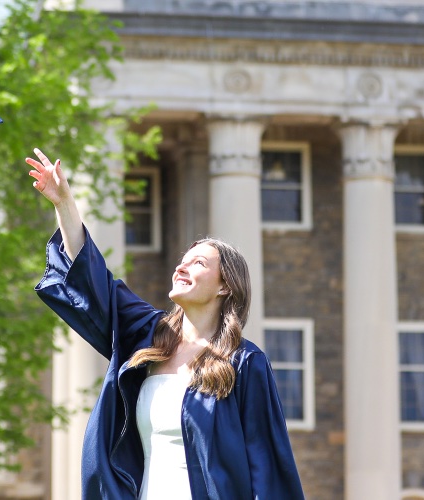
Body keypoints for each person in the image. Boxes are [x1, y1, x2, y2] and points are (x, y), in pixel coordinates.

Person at [26, 148, 306, 499]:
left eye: (198, 263)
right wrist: (64, 203)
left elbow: (268, 468)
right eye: (182, 261)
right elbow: (96, 283)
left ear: (224, 286)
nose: (181, 267)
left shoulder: (244, 363)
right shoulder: (149, 335)